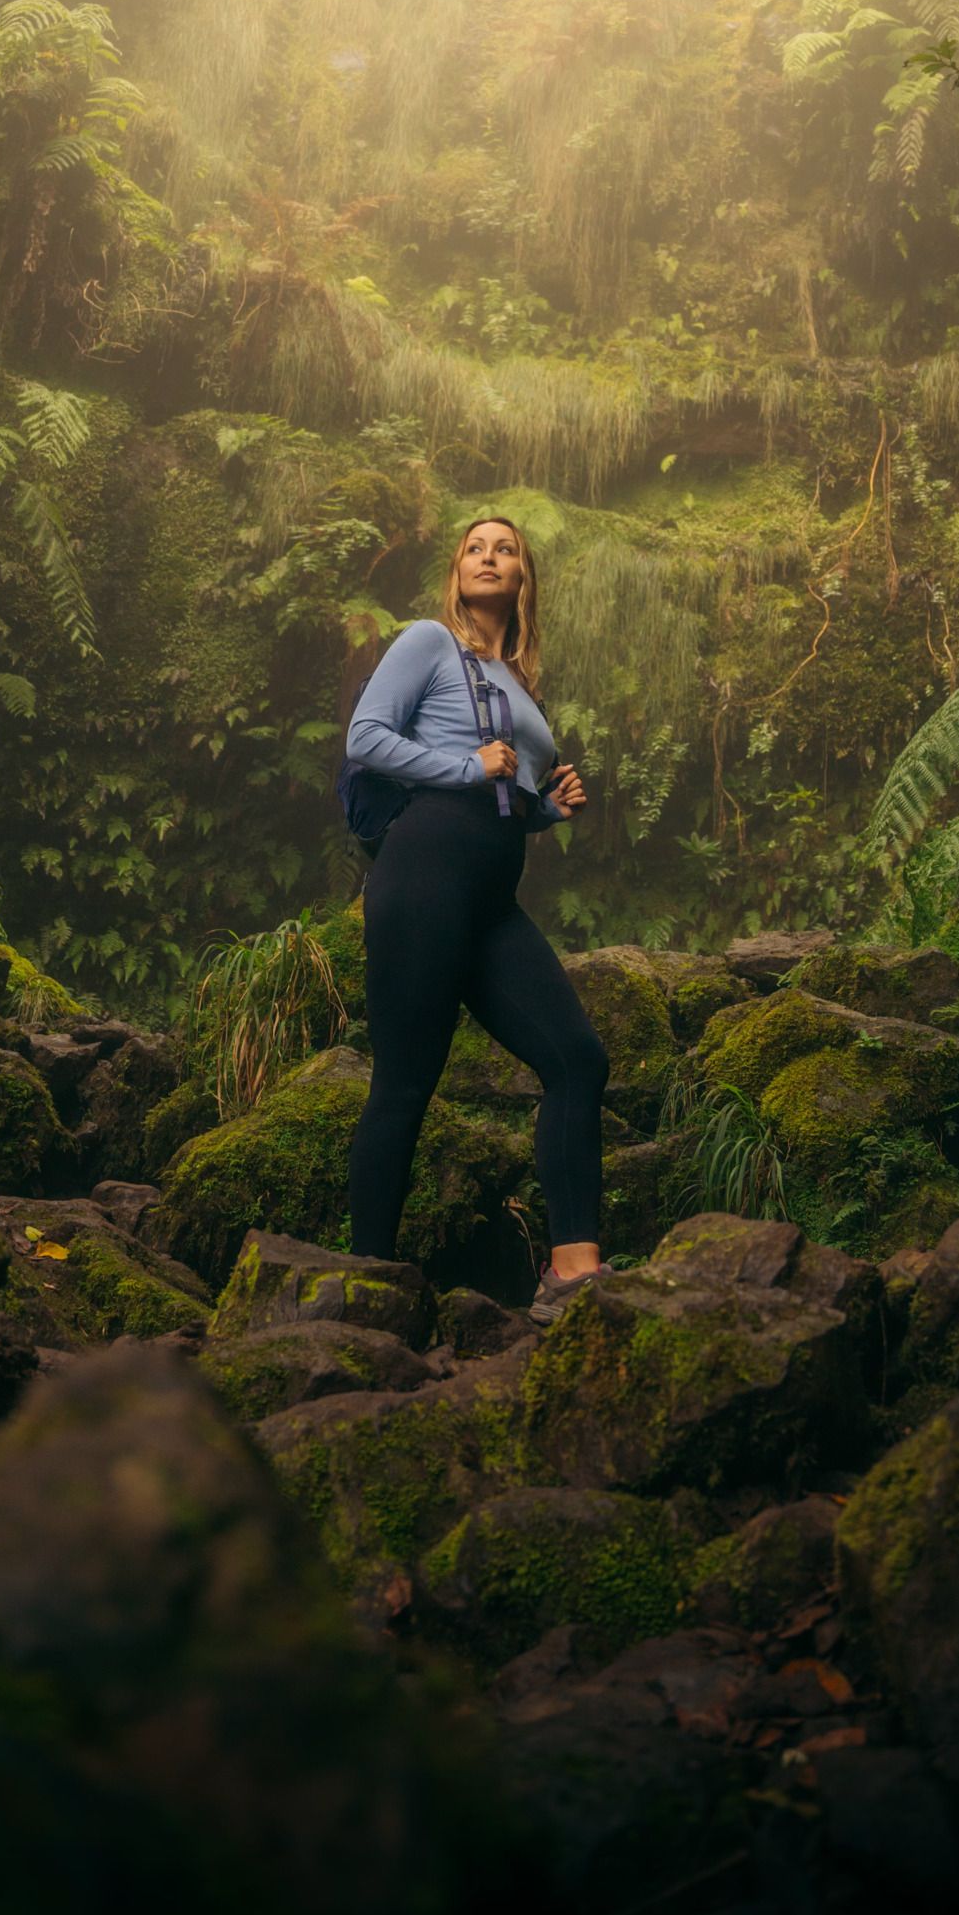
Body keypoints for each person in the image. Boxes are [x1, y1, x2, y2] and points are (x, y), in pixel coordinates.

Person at [344, 513, 610, 1320]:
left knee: (577, 1060)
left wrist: (547, 809)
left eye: (506, 549)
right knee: (404, 1085)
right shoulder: (430, 642)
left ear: (524, 575)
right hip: (423, 875)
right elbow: (365, 737)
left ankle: (573, 1276)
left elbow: (502, 801)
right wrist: (466, 764)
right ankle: (367, 1291)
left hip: (492, 900)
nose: (489, 557)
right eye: (474, 548)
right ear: (458, 571)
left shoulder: (518, 683)